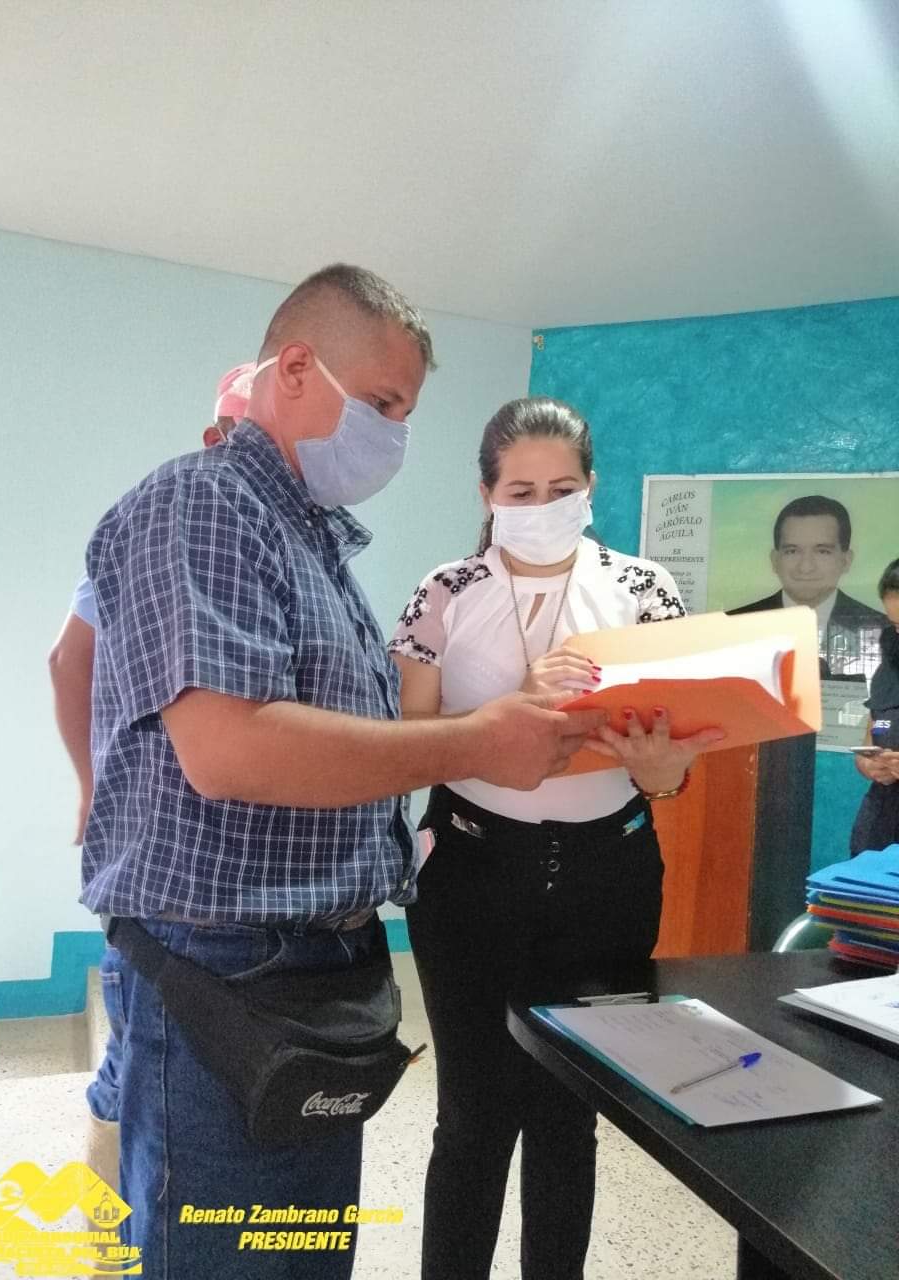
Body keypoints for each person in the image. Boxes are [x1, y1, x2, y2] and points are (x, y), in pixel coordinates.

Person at [80, 267, 607, 1280]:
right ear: (293, 369)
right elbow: (231, 749)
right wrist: (475, 740)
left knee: (301, 1253)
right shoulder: (203, 503)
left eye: (406, 414)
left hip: (314, 973)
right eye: (382, 404)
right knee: (225, 1257)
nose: (394, 436)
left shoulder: (307, 539)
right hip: (224, 972)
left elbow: (340, 741)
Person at [389, 396, 724, 1280]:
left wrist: (662, 769)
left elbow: (672, 762)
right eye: (522, 491)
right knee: (472, 1115)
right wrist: (511, 709)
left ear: (591, 488)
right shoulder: (444, 591)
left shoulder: (644, 588)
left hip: (608, 878)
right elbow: (404, 741)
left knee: (569, 1112)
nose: (543, 506)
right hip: (470, 872)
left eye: (563, 489)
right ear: (487, 494)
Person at [47, 362, 255, 1189]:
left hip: (209, 860)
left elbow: (65, 660)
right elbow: (68, 661)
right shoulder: (163, 536)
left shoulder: (264, 547)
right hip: (160, 853)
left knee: (157, 1040)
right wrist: (90, 787)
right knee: (143, 1036)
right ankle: (117, 1216)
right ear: (213, 438)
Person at [729, 495, 887, 679]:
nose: (806, 567)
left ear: (846, 561)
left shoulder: (887, 632)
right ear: (775, 560)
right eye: (792, 551)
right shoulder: (732, 627)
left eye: (822, 551)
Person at [849, 558, 899, 855]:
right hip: (880, 826)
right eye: (897, 625)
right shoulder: (889, 670)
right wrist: (868, 764)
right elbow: (870, 740)